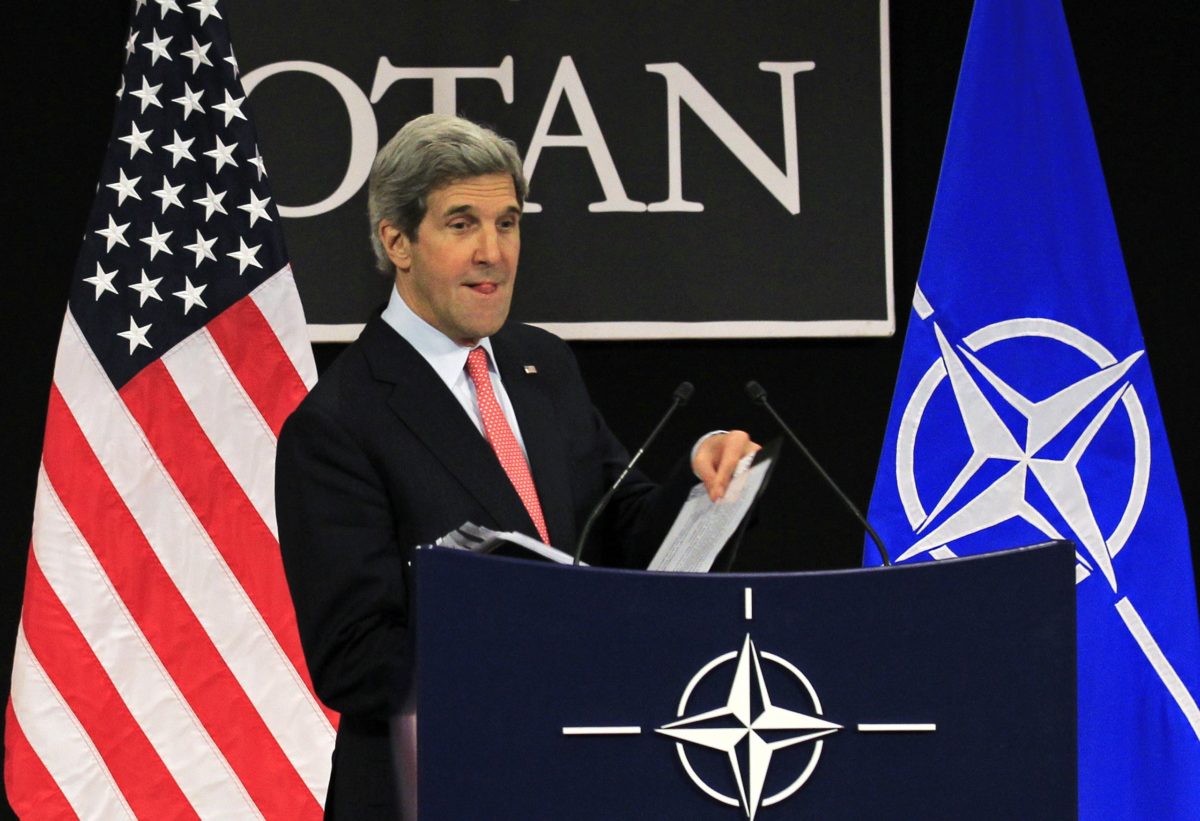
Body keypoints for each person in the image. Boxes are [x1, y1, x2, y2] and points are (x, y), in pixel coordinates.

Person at [275, 113, 758, 818]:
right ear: (397, 241)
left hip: (578, 773)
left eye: (507, 223)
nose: (493, 252)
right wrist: (527, 641)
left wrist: (700, 477)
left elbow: (619, 527)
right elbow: (353, 658)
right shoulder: (338, 422)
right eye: (462, 224)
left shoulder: (543, 364)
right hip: (437, 788)